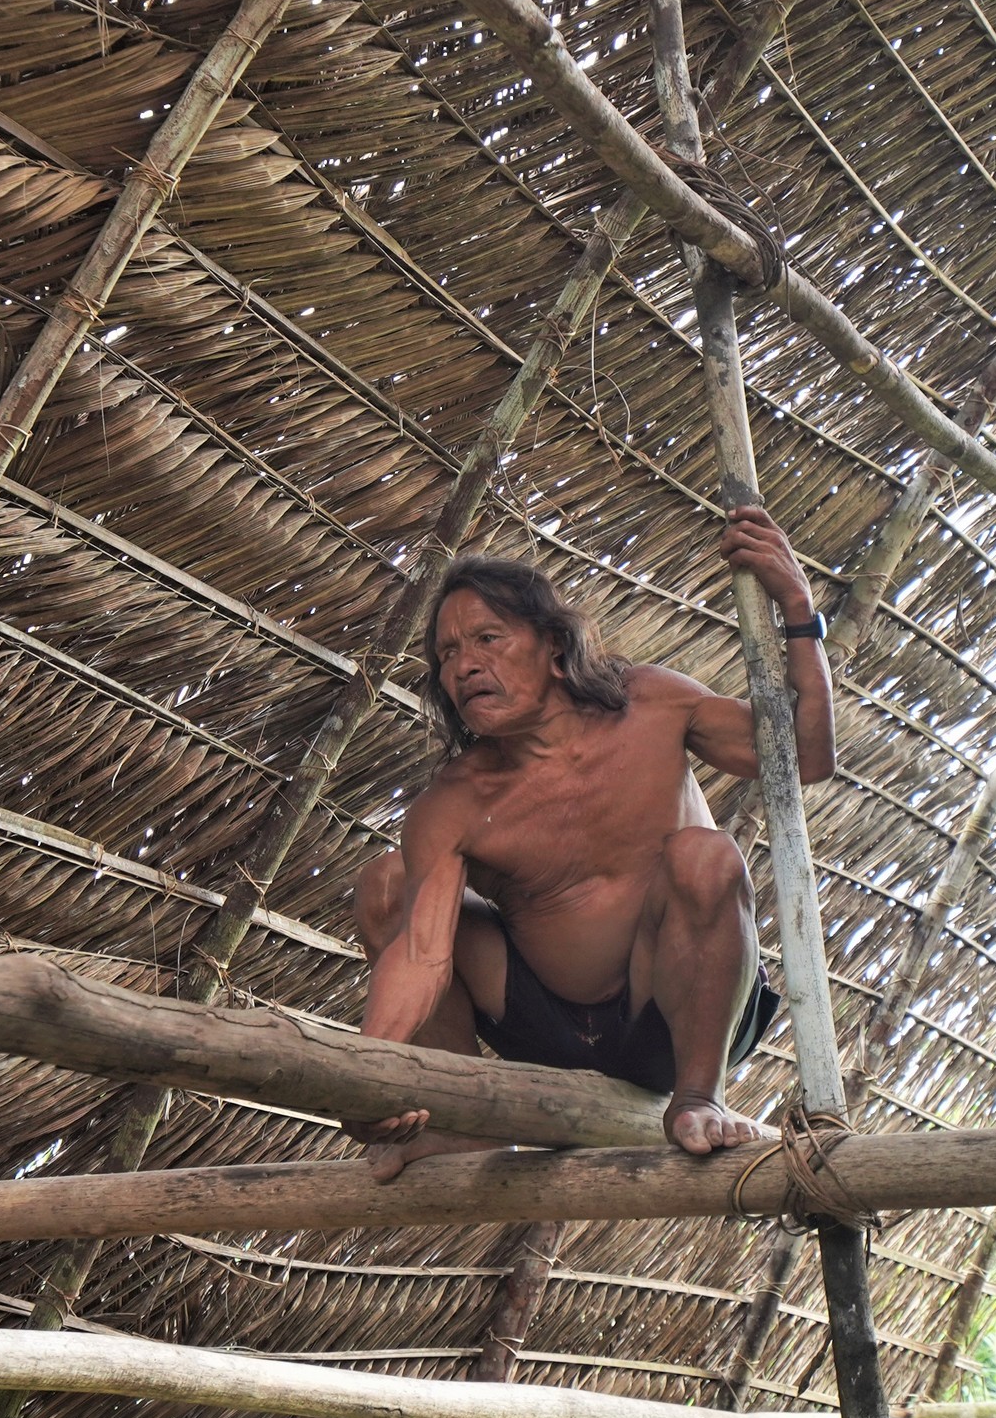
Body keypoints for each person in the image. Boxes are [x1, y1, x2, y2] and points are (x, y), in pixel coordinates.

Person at [347, 505, 833, 1178]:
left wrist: (798, 608)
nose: (464, 666)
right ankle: (456, 1116)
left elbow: (804, 755)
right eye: (447, 654)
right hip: (547, 1031)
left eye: (488, 638)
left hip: (672, 1020)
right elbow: (422, 956)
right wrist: (362, 1079)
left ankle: (698, 1098)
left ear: (552, 646)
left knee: (705, 855)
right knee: (386, 884)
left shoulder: (652, 704)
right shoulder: (454, 802)